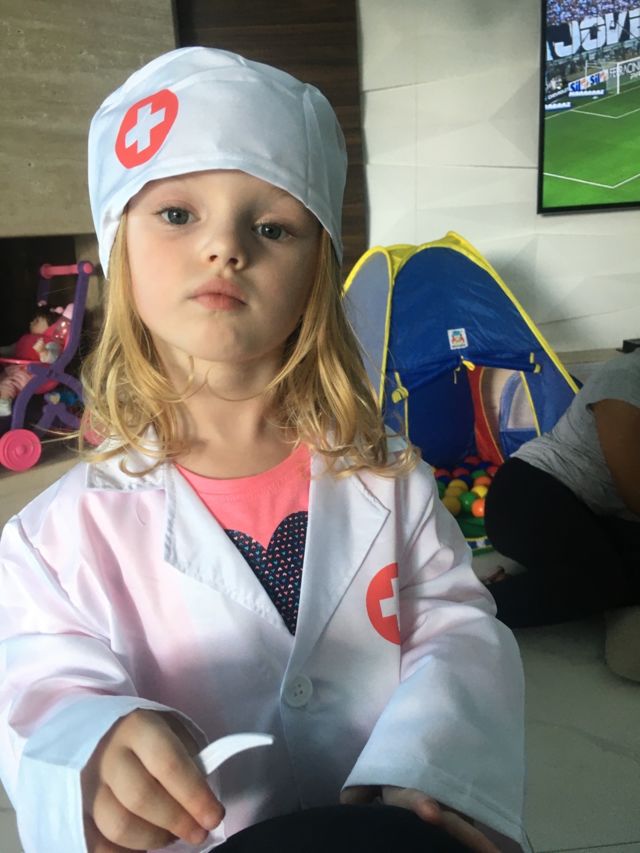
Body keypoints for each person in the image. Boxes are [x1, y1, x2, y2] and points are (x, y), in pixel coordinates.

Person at [0, 47, 528, 853]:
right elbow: (38, 683)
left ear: (318, 269)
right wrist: (93, 745)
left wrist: (430, 766)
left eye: (273, 226)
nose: (225, 247)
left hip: (384, 831)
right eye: (178, 214)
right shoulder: (52, 539)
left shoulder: (393, 479)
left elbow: (456, 630)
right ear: (118, 245)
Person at [485, 346, 640, 628]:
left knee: (612, 572)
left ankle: (540, 581)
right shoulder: (627, 377)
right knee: (603, 580)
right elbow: (635, 495)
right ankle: (469, 608)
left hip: (591, 513)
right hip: (528, 493)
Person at [0, 306, 65, 416]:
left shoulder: (51, 342)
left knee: (10, 382)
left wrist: (43, 351)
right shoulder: (26, 338)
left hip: (35, 375)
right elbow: (12, 349)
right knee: (2, 379)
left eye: (37, 320)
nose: (31, 322)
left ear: (51, 326)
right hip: (17, 370)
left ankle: (3, 404)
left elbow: (53, 357)